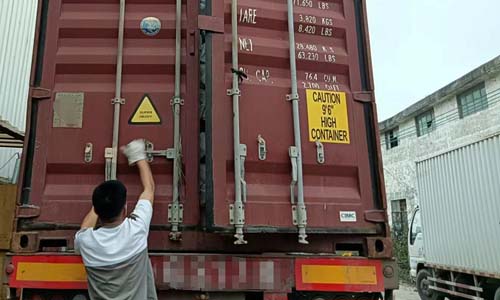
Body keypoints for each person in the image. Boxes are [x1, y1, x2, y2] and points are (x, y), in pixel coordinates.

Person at [75, 139, 157, 300]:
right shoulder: (136, 231)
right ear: (125, 208)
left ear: (96, 211)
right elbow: (149, 189)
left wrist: (101, 202)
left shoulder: (85, 242)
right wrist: (138, 155)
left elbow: (84, 229)